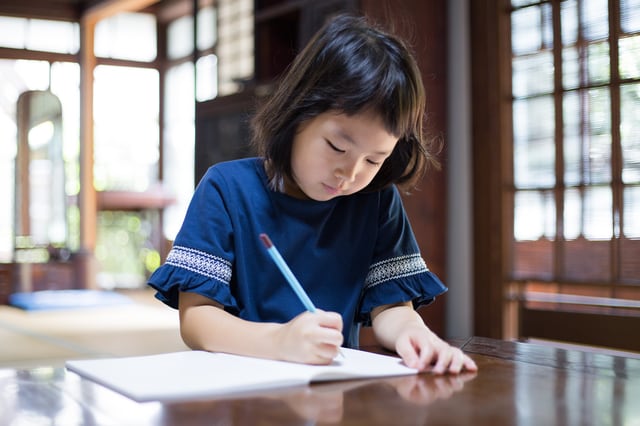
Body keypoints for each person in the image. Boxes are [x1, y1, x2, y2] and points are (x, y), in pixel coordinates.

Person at [148, 13, 477, 375]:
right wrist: (279, 342)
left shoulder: (377, 199)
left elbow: (392, 309)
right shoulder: (227, 189)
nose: (350, 174)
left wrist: (414, 335)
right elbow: (196, 319)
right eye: (337, 147)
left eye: (373, 159)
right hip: (239, 390)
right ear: (297, 113)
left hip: (333, 393)